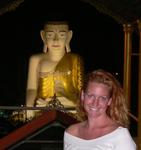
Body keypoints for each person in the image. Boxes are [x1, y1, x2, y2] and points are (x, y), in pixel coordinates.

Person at [64, 69, 136, 150]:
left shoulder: (119, 135)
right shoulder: (71, 133)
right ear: (83, 96)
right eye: (91, 96)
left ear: (109, 101)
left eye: (102, 98)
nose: (95, 103)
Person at [25, 21, 84, 119]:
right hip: (42, 107)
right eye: (49, 35)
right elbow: (31, 89)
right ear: (43, 36)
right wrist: (29, 109)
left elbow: (80, 91)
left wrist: (66, 101)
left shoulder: (75, 59)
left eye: (61, 35)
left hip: (69, 108)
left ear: (69, 36)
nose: (55, 40)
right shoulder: (36, 59)